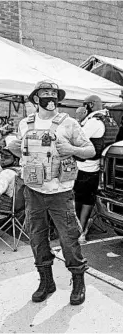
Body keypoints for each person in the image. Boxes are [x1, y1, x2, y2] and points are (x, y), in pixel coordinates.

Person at [19, 81, 96, 306]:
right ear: (36, 99)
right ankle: (46, 282)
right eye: (45, 93)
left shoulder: (68, 123)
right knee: (37, 237)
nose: (50, 97)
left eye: (54, 93)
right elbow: (21, 150)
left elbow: (90, 150)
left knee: (68, 238)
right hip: (33, 190)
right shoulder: (25, 123)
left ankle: (78, 281)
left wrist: (72, 150)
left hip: (60, 193)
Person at [74, 95, 119, 243]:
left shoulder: (93, 122)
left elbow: (77, 140)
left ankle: (81, 230)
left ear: (90, 105)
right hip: (98, 167)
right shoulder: (109, 119)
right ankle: (83, 228)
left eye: (83, 104)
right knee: (88, 199)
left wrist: (79, 119)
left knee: (82, 199)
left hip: (85, 167)